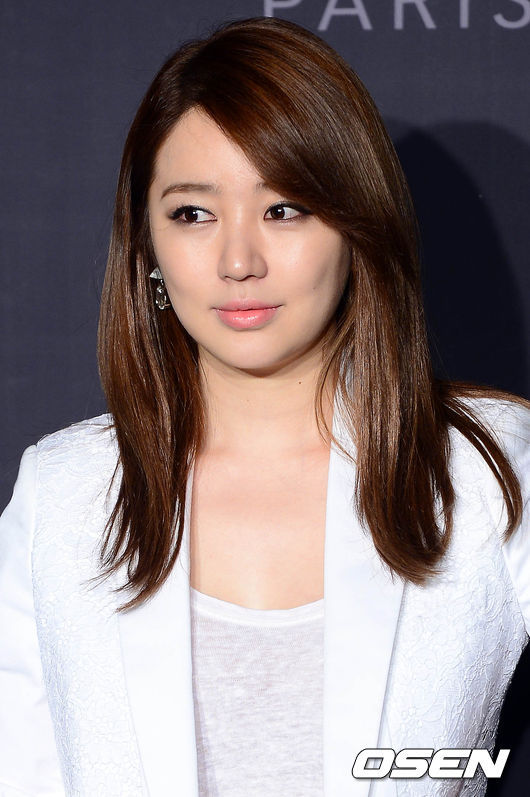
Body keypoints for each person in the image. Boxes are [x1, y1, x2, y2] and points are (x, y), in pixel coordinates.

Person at [0, 15, 529, 797]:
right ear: (147, 246)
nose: (239, 260)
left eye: (284, 208)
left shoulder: (488, 472)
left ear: (356, 226)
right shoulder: (62, 494)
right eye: (193, 213)